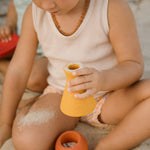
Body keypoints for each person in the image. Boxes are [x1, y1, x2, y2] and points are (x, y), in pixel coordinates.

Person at [0, 0, 150, 149]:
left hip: (109, 97)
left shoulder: (111, 7)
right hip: (61, 95)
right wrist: (5, 123)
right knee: (27, 140)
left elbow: (133, 64)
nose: (47, 6)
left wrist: (104, 80)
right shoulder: (34, 13)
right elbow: (18, 71)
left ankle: (108, 145)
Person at [0, 0, 48, 92]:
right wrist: (10, 25)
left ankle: (2, 65)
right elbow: (15, 4)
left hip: (46, 52)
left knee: (35, 79)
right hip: (20, 44)